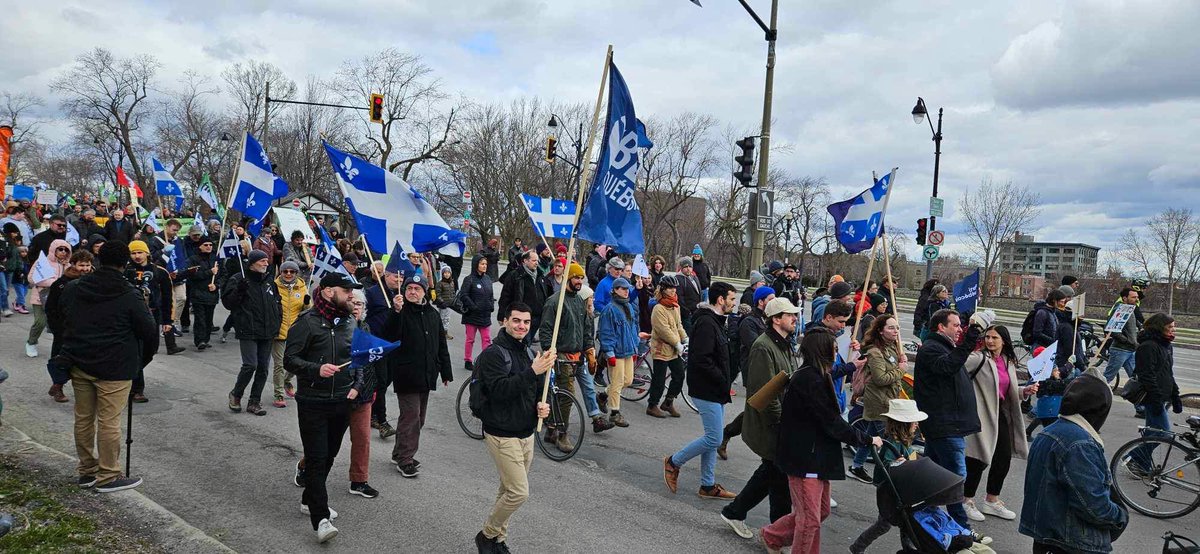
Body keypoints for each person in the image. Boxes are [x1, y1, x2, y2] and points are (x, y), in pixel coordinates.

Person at [761, 328, 882, 554]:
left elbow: (833, 385)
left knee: (820, 512)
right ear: (822, 351)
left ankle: (771, 536)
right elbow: (831, 421)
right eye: (834, 349)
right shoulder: (809, 379)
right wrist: (865, 439)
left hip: (815, 456)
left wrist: (852, 365)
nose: (837, 352)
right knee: (810, 520)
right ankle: (776, 539)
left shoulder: (816, 373)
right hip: (804, 458)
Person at [59, 239, 158, 493]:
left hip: (80, 361)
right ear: (125, 262)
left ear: (98, 260)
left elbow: (60, 318)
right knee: (109, 421)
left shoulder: (75, 288)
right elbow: (148, 331)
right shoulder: (128, 294)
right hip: (115, 366)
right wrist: (141, 361)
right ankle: (108, 475)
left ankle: (87, 471)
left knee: (83, 419)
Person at [284, 273, 364, 543]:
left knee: (329, 456)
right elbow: (290, 360)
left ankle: (309, 499)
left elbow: (359, 358)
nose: (351, 295)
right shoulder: (306, 323)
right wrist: (316, 369)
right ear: (329, 292)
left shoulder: (350, 322)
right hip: (313, 403)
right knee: (317, 459)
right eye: (346, 290)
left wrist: (358, 384)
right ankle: (320, 519)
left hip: (341, 402)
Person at [473, 302, 554, 554]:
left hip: (526, 432)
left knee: (507, 489)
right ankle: (486, 535)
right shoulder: (493, 354)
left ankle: (498, 539)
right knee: (519, 493)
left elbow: (538, 390)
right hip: (501, 432)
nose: (522, 326)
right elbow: (499, 392)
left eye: (526, 322)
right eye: (516, 321)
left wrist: (544, 405)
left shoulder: (529, 353)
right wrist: (532, 372)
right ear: (505, 322)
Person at [719, 297, 801, 539]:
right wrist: (781, 422)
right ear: (776, 319)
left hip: (782, 422)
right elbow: (762, 392)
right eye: (790, 315)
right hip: (772, 424)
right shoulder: (763, 347)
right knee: (778, 476)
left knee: (772, 473)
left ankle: (737, 513)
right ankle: (777, 533)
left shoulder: (784, 343)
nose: (795, 318)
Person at [1020, 375, 1127, 553]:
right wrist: (1120, 516)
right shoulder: (1080, 444)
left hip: (1046, 537)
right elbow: (1093, 506)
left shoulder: (1049, 432)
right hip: (1073, 541)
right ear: (1099, 410)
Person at [913, 308, 992, 535]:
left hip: (948, 424)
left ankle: (926, 519)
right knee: (955, 480)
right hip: (945, 425)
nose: (959, 329)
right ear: (941, 327)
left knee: (934, 477)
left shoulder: (945, 347)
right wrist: (969, 340)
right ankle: (962, 530)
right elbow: (948, 367)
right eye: (955, 325)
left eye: (960, 325)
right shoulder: (931, 349)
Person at [663, 281, 740, 500]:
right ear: (720, 300)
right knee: (715, 439)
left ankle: (707, 485)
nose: (734, 303)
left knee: (711, 436)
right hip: (706, 389)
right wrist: (722, 379)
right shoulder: (707, 323)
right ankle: (673, 462)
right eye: (732, 299)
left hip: (716, 389)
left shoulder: (716, 321)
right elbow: (702, 360)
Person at [962, 325, 1036, 522]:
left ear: (1004, 340)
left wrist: (1024, 391)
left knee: (1003, 457)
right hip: (981, 414)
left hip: (1001, 413)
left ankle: (992, 499)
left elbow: (1005, 389)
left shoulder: (1007, 361)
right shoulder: (978, 358)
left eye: (995, 338)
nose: (990, 341)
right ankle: (966, 500)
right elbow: (956, 373)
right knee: (978, 459)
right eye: (987, 337)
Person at [381, 274, 452, 478]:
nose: (412, 292)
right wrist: (395, 312)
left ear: (423, 292)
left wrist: (445, 370)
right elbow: (389, 336)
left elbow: (441, 345)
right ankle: (405, 459)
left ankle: (399, 452)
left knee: (419, 419)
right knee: (411, 417)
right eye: (409, 288)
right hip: (406, 374)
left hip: (427, 375)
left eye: (417, 289)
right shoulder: (400, 312)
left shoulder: (432, 314)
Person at [849, 398, 927, 554]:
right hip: (890, 490)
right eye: (914, 422)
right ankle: (859, 546)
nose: (917, 424)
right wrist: (900, 462)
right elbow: (888, 464)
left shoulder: (904, 441)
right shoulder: (894, 443)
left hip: (898, 489)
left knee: (902, 522)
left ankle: (860, 546)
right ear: (904, 423)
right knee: (888, 523)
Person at [847, 313, 908, 483]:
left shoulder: (892, 348)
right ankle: (888, 473)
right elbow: (880, 379)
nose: (895, 330)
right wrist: (901, 369)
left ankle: (857, 466)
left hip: (888, 398)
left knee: (872, 435)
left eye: (897, 327)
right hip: (879, 401)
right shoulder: (875, 352)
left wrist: (900, 360)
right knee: (891, 439)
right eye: (891, 327)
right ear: (880, 331)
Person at [223, 249, 283, 416]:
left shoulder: (269, 281)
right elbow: (228, 303)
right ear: (252, 263)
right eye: (262, 261)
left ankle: (254, 401)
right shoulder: (238, 279)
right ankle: (236, 394)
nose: (266, 264)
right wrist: (240, 290)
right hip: (247, 328)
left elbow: (277, 302)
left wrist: (277, 322)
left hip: (267, 330)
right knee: (250, 365)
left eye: (266, 261)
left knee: (263, 368)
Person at [717, 286, 773, 459]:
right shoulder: (749, 321)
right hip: (755, 371)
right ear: (761, 301)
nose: (774, 302)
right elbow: (757, 346)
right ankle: (726, 434)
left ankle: (727, 435)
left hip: (768, 369)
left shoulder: (768, 320)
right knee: (756, 409)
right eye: (770, 299)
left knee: (759, 408)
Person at [125, 240, 185, 402]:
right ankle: (137, 389)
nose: (137, 256)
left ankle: (128, 373)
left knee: (150, 351)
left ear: (147, 253)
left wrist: (168, 321)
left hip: (152, 316)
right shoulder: (125, 271)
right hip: (130, 318)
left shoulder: (159, 272)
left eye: (140, 252)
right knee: (136, 352)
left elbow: (167, 298)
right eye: (133, 253)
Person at [1126, 313, 1181, 475]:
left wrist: (1175, 395)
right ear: (1159, 327)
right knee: (1163, 433)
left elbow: (1168, 373)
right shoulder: (1148, 346)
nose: (1173, 329)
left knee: (1152, 433)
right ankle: (1132, 456)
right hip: (1152, 396)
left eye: (1174, 326)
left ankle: (1141, 466)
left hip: (1161, 394)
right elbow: (1146, 375)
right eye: (1170, 327)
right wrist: (1156, 399)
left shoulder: (1166, 345)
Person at [44, 250, 95, 402]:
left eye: (87, 265)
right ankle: (58, 385)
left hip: (87, 329)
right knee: (61, 359)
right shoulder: (61, 284)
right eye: (81, 265)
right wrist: (58, 329)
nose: (85, 268)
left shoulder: (94, 282)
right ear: (73, 264)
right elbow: (51, 308)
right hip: (65, 329)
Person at [598, 277, 644, 427]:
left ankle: (604, 395)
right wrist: (609, 353)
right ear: (615, 290)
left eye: (627, 289)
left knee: (628, 381)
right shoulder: (609, 310)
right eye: (623, 289)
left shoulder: (629, 307)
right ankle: (614, 413)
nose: (626, 291)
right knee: (617, 382)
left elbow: (633, 328)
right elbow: (606, 334)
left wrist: (635, 345)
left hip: (628, 350)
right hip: (616, 352)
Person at [647, 275, 687, 419]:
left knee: (679, 375)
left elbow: (678, 325)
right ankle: (652, 405)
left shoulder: (675, 306)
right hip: (661, 348)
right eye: (670, 288)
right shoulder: (659, 308)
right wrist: (677, 343)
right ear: (663, 289)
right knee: (659, 378)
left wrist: (685, 338)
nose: (673, 291)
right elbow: (663, 330)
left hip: (673, 349)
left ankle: (668, 402)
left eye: (674, 288)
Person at [272, 261, 310, 408]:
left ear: (296, 273)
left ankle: (287, 381)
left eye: (292, 272)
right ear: (280, 272)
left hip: (295, 332)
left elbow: (308, 311)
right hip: (278, 331)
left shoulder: (301, 286)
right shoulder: (274, 286)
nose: (288, 274)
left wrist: (307, 303)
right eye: (285, 271)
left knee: (295, 363)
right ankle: (279, 394)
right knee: (279, 364)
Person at [25, 238, 71, 358]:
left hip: (59, 299)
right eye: (60, 249)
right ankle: (31, 342)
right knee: (40, 322)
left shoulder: (68, 265)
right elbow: (31, 278)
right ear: (53, 249)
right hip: (41, 297)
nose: (63, 252)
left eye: (66, 250)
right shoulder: (42, 261)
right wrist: (55, 282)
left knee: (59, 325)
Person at [179, 236, 219, 350]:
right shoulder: (193, 259)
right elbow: (191, 275)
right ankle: (199, 340)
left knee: (208, 318)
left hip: (212, 294)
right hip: (198, 293)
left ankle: (206, 339)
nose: (208, 247)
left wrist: (216, 286)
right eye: (206, 245)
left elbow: (222, 276)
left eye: (210, 245)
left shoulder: (215, 259)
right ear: (200, 246)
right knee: (200, 318)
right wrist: (209, 272)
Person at [498, 250, 548, 338]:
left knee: (527, 343)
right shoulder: (515, 275)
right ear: (525, 261)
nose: (536, 263)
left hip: (537, 318)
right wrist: (501, 315)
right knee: (522, 342)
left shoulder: (540, 276)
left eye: (537, 261)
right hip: (521, 317)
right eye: (533, 260)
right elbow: (505, 296)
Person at [460, 254, 495, 372]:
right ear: (476, 265)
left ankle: (486, 361)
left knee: (486, 339)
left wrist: (491, 306)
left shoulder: (488, 279)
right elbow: (463, 295)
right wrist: (473, 306)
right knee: (470, 339)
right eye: (482, 264)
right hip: (472, 315)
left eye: (485, 264)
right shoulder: (469, 279)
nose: (484, 266)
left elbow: (491, 295)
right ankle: (468, 360)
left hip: (485, 315)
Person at [1103, 287, 1141, 385]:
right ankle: (1093, 396)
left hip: (1131, 349)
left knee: (1136, 378)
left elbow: (1133, 321)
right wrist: (1126, 340)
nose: (1136, 299)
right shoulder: (1120, 308)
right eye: (1133, 297)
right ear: (1124, 298)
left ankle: (1140, 399)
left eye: (1137, 297)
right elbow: (1110, 328)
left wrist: (1141, 327)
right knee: (1107, 377)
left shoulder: (1130, 309)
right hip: (1120, 350)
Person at [676, 256, 702, 333]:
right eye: (686, 266)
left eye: (690, 266)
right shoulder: (678, 279)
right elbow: (680, 298)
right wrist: (687, 312)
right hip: (687, 315)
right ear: (681, 268)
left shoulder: (694, 277)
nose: (688, 269)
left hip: (696, 312)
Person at [435, 265, 457, 339]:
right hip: (443, 305)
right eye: (445, 273)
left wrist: (454, 300)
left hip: (450, 304)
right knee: (441, 319)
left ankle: (445, 333)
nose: (447, 274)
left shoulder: (451, 282)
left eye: (448, 273)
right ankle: (439, 333)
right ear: (442, 274)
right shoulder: (440, 283)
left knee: (447, 319)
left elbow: (453, 292)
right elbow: (438, 294)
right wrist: (442, 302)